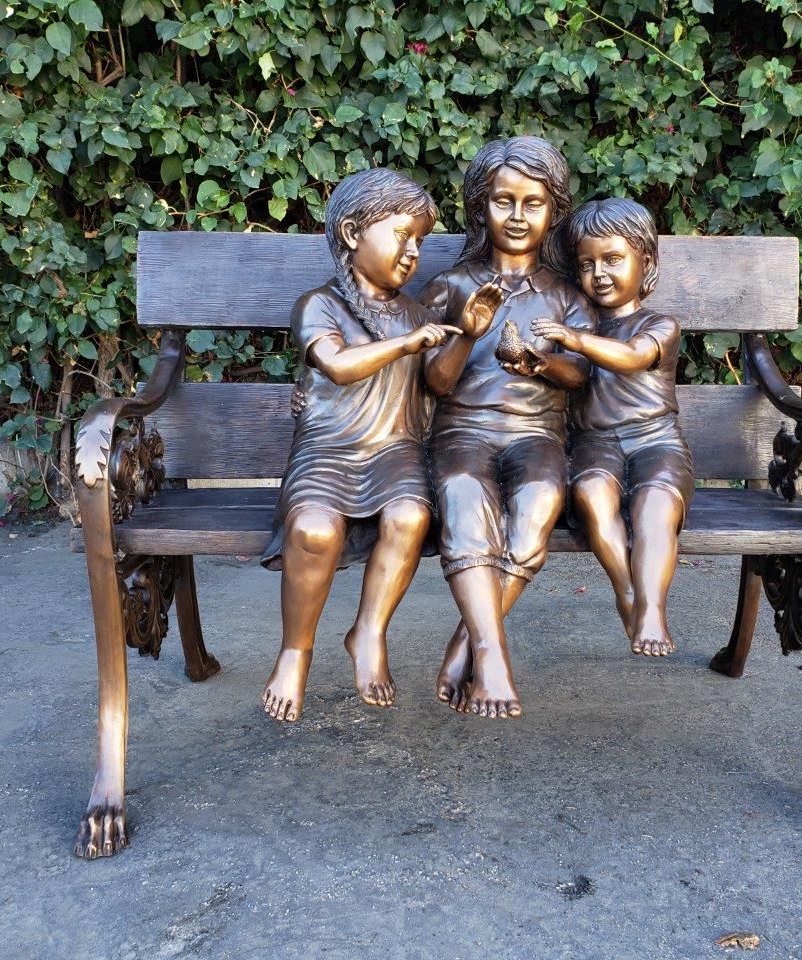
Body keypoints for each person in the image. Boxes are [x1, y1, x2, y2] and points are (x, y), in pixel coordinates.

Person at [259, 168, 499, 722]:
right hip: (328, 448)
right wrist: (407, 343)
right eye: (401, 235)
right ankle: (295, 651)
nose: (413, 251)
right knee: (313, 529)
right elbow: (339, 366)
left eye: (420, 240)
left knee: (412, 515)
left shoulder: (418, 315)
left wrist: (467, 333)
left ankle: (368, 631)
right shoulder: (319, 305)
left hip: (395, 451)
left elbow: (438, 382)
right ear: (350, 233)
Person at [420, 136, 596, 718]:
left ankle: (467, 642)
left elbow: (579, 375)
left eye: (533, 203)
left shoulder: (567, 295)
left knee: (542, 497)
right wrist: (469, 333)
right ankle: (493, 659)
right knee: (465, 493)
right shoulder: (450, 287)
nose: (518, 217)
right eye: (503, 202)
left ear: (554, 212)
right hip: (461, 432)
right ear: (480, 208)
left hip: (536, 435)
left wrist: (538, 362)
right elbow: (436, 383)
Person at [532, 198, 695, 656]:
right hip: (595, 443)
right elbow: (561, 370)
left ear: (645, 262)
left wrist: (576, 340)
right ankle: (628, 593)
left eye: (613, 259)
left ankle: (653, 609)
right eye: (587, 264)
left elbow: (633, 358)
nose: (599, 273)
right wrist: (542, 359)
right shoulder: (575, 319)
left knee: (655, 505)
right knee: (590, 494)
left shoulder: (659, 324)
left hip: (656, 441)